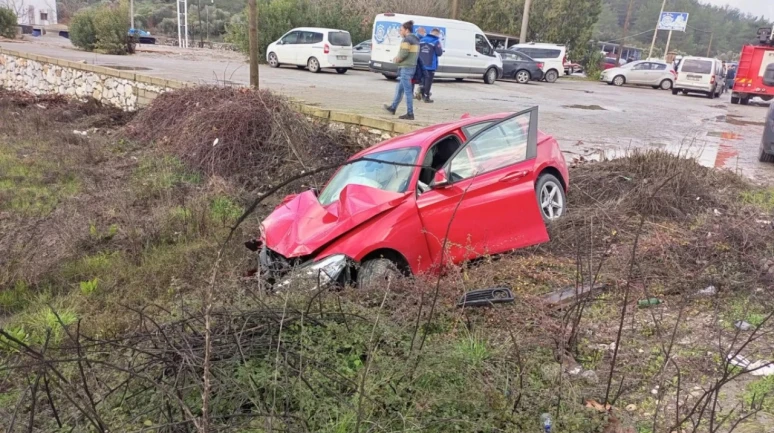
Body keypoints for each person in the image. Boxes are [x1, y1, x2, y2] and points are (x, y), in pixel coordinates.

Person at [384, 20, 420, 120]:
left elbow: (404, 53)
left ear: (406, 30)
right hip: (411, 67)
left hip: (406, 68)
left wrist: (397, 59)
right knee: (399, 90)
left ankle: (410, 113)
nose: (400, 32)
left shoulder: (407, 40)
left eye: (401, 30)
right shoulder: (416, 39)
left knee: (408, 92)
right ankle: (393, 107)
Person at [417, 28, 443, 103]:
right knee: (428, 81)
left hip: (421, 64)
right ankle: (426, 96)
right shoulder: (436, 41)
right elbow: (439, 53)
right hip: (430, 65)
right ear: (437, 34)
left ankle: (421, 92)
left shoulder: (422, 40)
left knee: (422, 80)